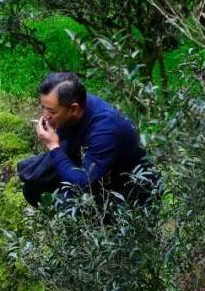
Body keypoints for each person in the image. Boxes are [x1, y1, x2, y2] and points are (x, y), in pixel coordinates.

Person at [19, 71, 158, 208]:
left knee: (66, 206)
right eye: (44, 108)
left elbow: (83, 181)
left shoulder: (105, 129)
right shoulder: (76, 106)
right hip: (97, 169)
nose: (45, 115)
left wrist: (53, 146)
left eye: (52, 112)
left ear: (74, 109)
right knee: (33, 188)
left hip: (129, 189)